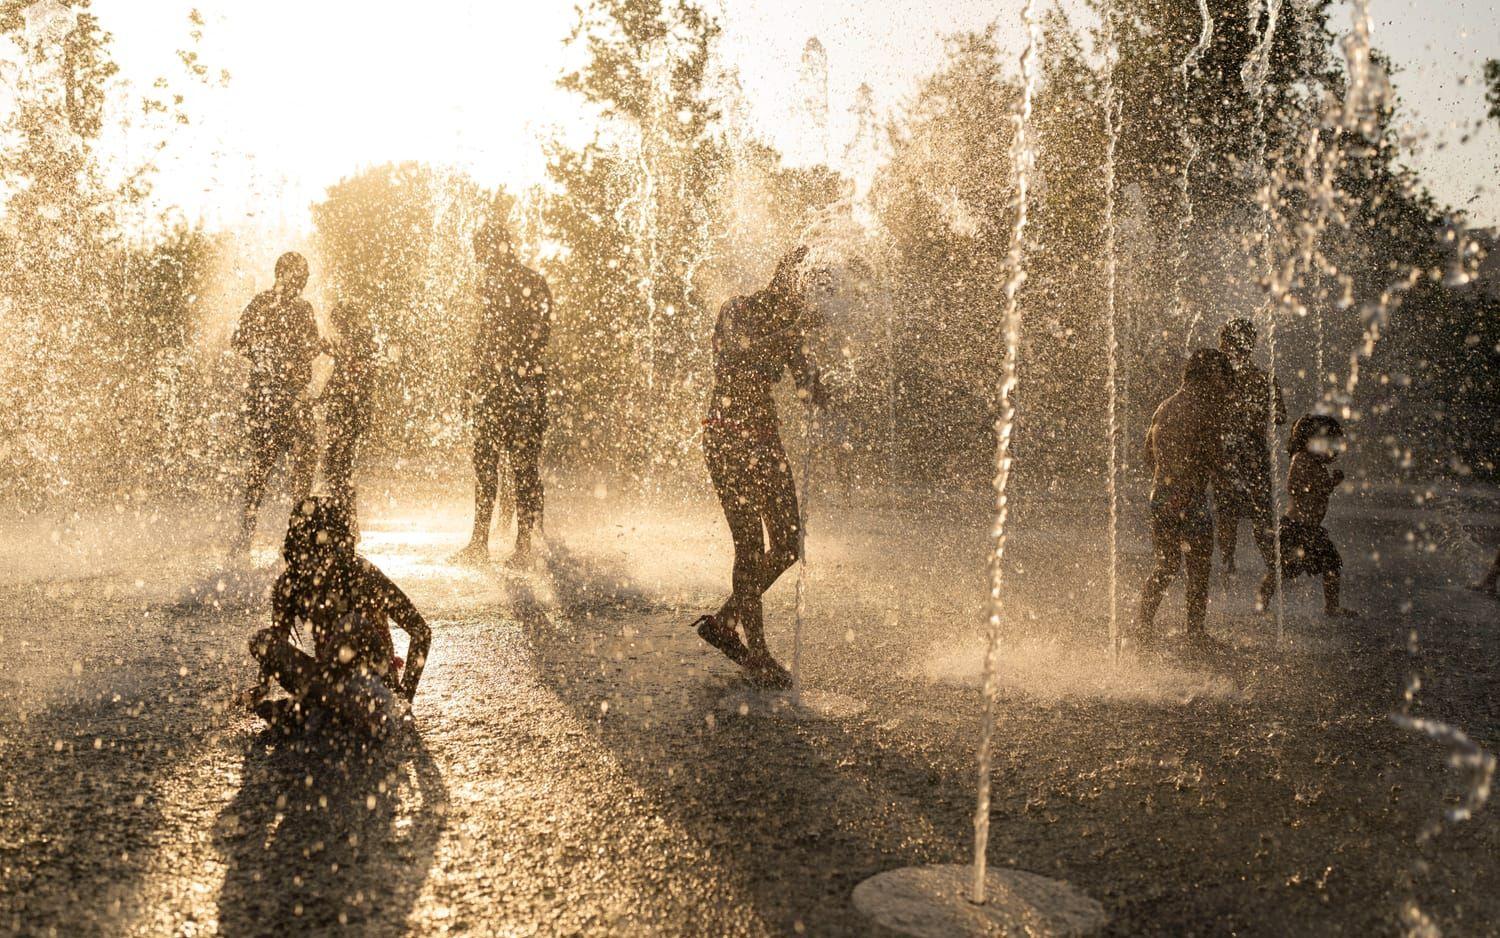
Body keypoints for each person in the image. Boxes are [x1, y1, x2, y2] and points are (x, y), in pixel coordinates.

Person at [691, 246, 828, 687]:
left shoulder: (791, 329)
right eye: (803, 291)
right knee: (749, 545)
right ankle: (759, 655)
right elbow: (738, 355)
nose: (807, 301)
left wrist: (818, 385)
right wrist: (792, 335)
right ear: (784, 283)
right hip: (727, 437)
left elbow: (806, 387)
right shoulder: (738, 309)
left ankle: (727, 620)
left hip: (765, 440)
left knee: (788, 543)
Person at [243, 497, 431, 736]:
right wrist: (261, 687)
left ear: (336, 541)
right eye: (304, 544)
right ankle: (322, 708)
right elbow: (277, 643)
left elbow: (421, 632)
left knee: (351, 625)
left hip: (374, 685)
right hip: (326, 686)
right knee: (262, 640)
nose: (312, 553)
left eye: (316, 544)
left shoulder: (362, 574)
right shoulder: (290, 584)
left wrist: (405, 699)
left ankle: (309, 710)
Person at [453, 217, 552, 568]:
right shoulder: (505, 284)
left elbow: (538, 337)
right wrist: (472, 382)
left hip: (518, 387)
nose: (480, 261)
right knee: (493, 464)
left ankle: (521, 545)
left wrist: (506, 364)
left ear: (497, 248)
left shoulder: (528, 283)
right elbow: (485, 339)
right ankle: (483, 541)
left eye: (482, 253)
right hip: (506, 388)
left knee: (517, 467)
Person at [1134, 348, 1233, 650]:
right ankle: (1195, 631)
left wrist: (1168, 484)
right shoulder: (1205, 409)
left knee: (1166, 565)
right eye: (1222, 377)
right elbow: (1216, 458)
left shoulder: (1164, 407)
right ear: (1209, 376)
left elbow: (1147, 454)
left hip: (1162, 494)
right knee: (1199, 566)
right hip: (1189, 496)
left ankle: (1143, 625)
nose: (1225, 385)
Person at [228, 251, 322, 558]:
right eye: (299, 274)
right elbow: (239, 341)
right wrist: (271, 358)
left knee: (299, 461)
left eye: (306, 275)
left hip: (288, 397)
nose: (304, 280)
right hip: (273, 397)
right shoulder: (263, 303)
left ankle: (294, 538)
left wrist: (300, 352)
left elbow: (308, 349)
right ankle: (248, 537)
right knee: (264, 465)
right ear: (282, 274)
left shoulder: (300, 308)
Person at [1258, 415, 1358, 618]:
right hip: (1295, 528)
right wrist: (1327, 484)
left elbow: (1316, 489)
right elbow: (1297, 486)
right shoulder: (1301, 459)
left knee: (1331, 562)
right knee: (1283, 569)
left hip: (1311, 529)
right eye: (1328, 442)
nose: (1332, 449)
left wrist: (1330, 483)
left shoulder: (1316, 463)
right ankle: (1261, 601)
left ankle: (1332, 606)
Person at [1213, 318, 1287, 578]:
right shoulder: (1264, 379)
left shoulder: (1219, 383)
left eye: (1224, 343)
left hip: (1230, 455)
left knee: (1228, 511)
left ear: (1231, 345)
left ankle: (1228, 562)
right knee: (1260, 512)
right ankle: (1271, 562)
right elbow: (1280, 416)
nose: (1221, 348)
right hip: (1254, 455)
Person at [320, 302, 378, 538]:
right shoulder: (358, 340)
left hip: (347, 412)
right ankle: (348, 523)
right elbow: (344, 375)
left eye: (337, 323)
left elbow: (350, 375)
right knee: (338, 466)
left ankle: (348, 526)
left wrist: (337, 353)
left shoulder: (357, 341)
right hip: (350, 411)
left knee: (337, 466)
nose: (336, 328)